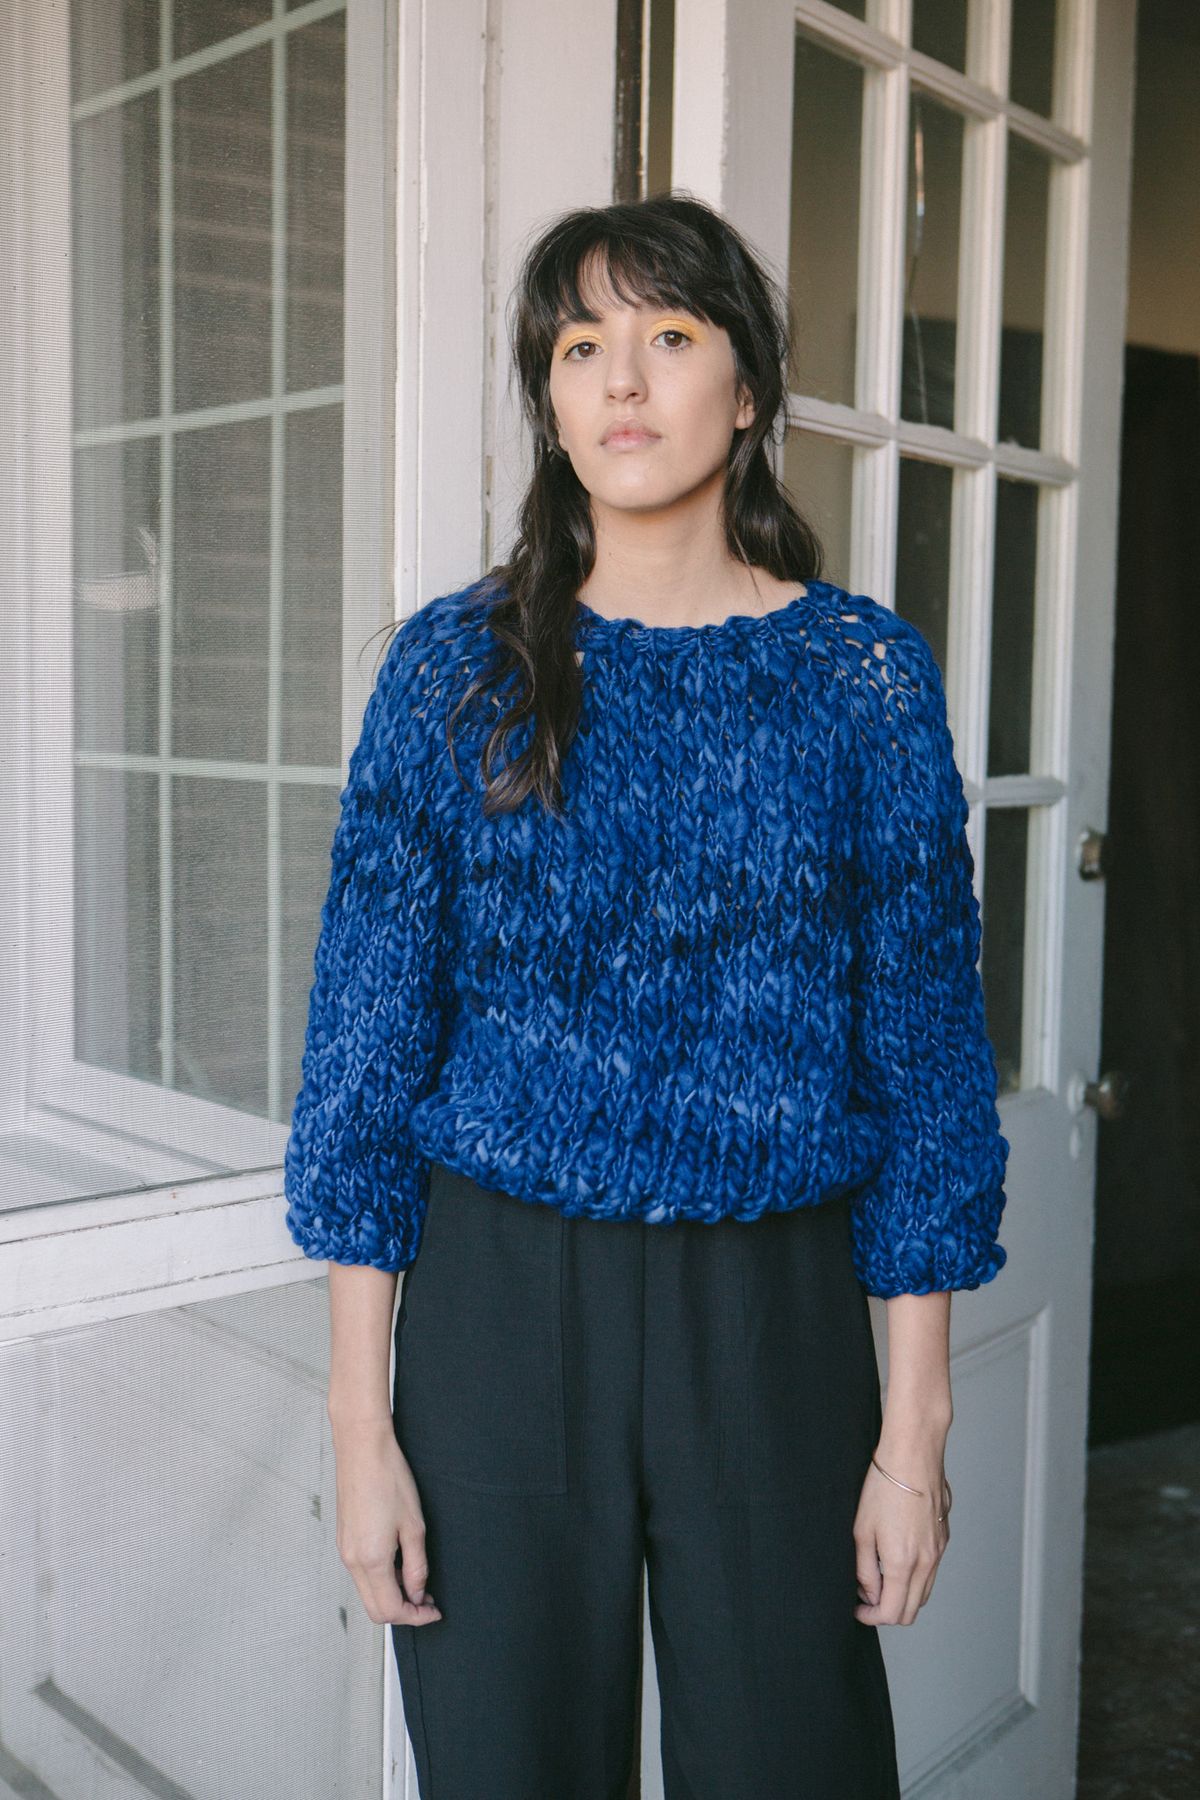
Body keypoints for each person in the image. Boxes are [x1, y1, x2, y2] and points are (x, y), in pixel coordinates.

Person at [282, 192, 1010, 1799]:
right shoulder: (454, 672)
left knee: (793, 1763)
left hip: (771, 1316)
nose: (621, 378)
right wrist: (359, 1427)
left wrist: (914, 1438)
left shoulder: (863, 683)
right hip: (496, 1313)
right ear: (549, 401)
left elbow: (931, 1082)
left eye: (670, 335)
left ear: (745, 392)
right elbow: (363, 1071)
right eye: (578, 346)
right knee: (510, 1768)